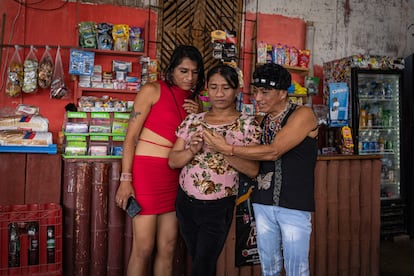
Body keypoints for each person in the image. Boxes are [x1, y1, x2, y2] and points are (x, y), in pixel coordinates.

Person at [204, 63, 318, 276]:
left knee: (297, 269)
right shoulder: (262, 121)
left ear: (283, 93)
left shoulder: (303, 115)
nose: (257, 98)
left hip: (294, 205)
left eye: (265, 92)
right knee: (269, 268)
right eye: (256, 91)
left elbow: (274, 151)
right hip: (263, 202)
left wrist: (226, 148)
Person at [115, 45, 205, 276]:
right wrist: (126, 179)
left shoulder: (196, 102)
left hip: (175, 176)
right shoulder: (152, 90)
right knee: (143, 248)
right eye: (183, 71)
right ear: (171, 69)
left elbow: (196, 139)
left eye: (194, 72)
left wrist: (199, 114)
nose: (189, 77)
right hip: (146, 174)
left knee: (168, 247)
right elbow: (130, 138)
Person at [168, 64, 261, 276]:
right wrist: (192, 149)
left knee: (204, 264)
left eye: (226, 87)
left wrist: (224, 149)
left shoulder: (247, 124)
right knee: (197, 257)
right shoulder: (193, 120)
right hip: (186, 202)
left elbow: (253, 169)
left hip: (219, 206)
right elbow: (173, 161)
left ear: (237, 90)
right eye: (213, 87)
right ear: (206, 90)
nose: (219, 94)